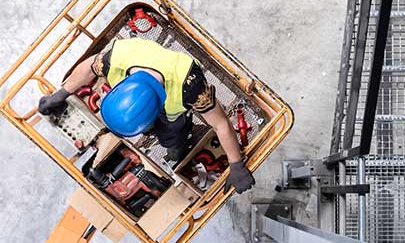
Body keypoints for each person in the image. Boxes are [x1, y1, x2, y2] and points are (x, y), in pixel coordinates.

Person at [38, 38, 255, 194]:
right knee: (167, 132)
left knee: (172, 135)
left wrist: (236, 165)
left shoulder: (191, 87)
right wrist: (61, 94)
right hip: (150, 80)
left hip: (176, 100)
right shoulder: (118, 58)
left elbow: (221, 124)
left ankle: (176, 144)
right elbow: (89, 67)